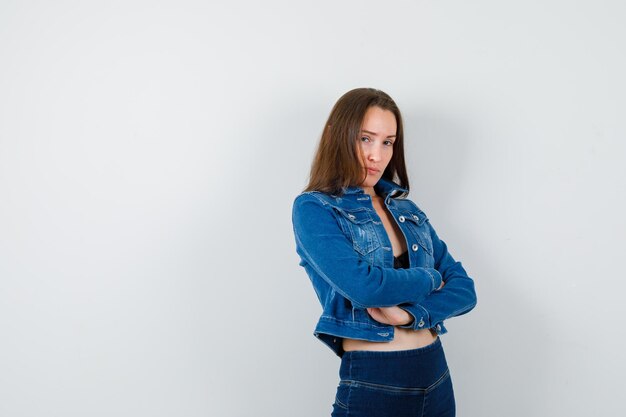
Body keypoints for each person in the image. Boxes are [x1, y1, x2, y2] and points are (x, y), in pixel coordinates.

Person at [291, 88, 477, 417]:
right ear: (337, 136)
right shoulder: (315, 208)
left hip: (436, 373)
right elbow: (365, 288)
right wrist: (431, 278)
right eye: (365, 138)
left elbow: (465, 289)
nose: (377, 155)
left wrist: (407, 316)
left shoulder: (407, 210)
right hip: (376, 381)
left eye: (388, 142)